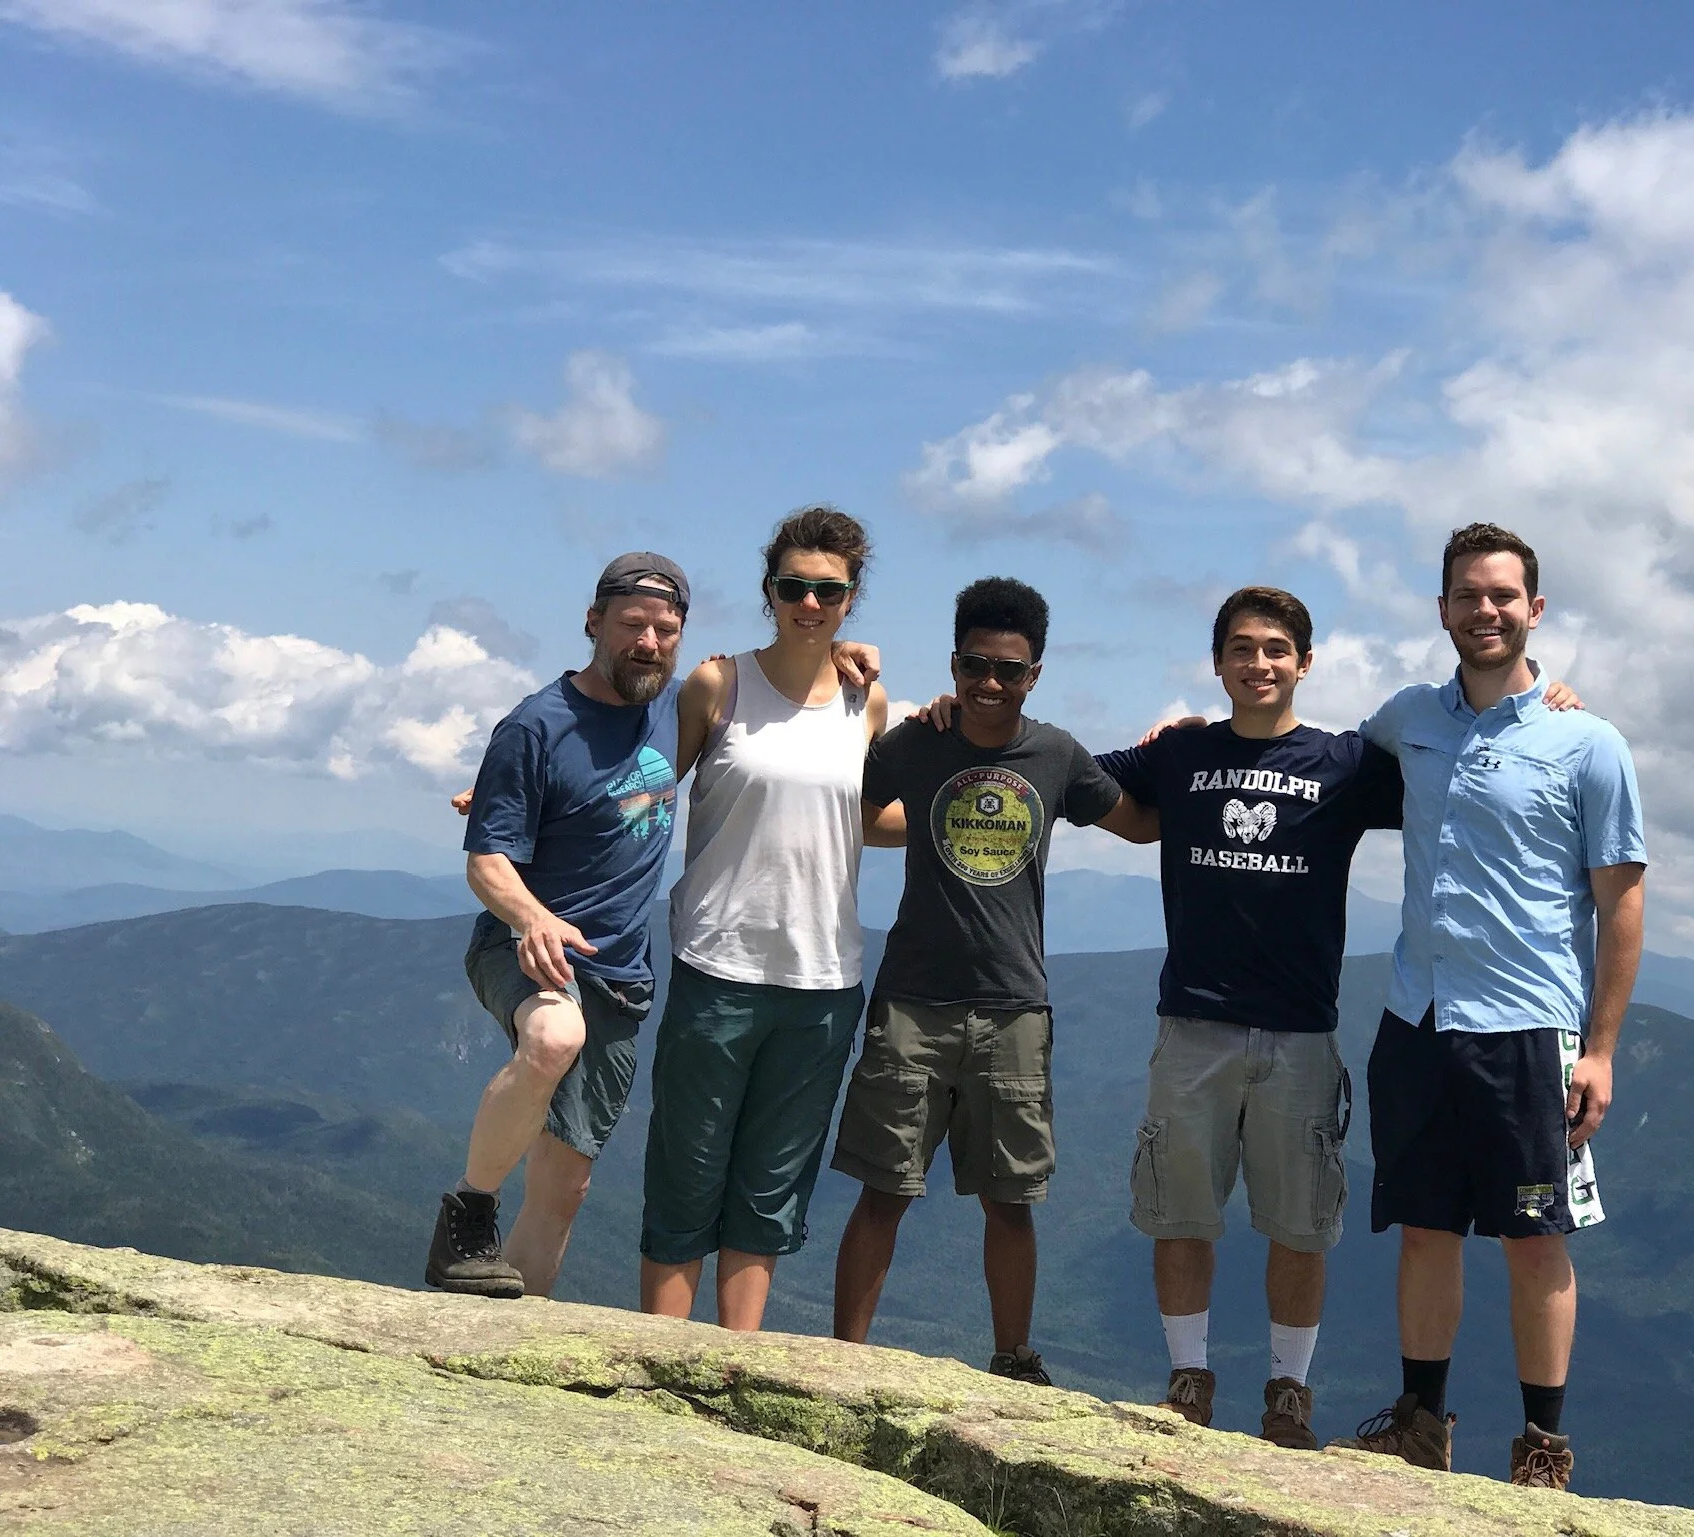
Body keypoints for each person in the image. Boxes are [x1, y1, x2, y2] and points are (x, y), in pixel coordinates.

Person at [1099, 589, 1581, 1449]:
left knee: (1300, 1223)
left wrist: (1541, 702)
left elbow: (1461, 768)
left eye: (1277, 648)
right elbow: (1069, 774)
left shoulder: (1347, 762)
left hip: (1300, 1032)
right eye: (1241, 649)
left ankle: (1288, 1392)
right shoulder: (1178, 754)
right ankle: (1187, 1380)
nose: (1259, 664)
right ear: (1216, 663)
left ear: (1304, 662)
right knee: (1180, 1213)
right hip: (1192, 1024)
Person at [1337, 522, 1645, 1491]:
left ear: (1535, 611)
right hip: (1419, 1019)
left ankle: (1542, 1449)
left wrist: (1600, 1051)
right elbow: (1322, 757)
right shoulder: (1410, 718)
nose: (1485, 610)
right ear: (1443, 611)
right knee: (1426, 1226)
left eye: (1503, 595)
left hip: (1529, 1029)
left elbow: (1622, 898)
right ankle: (1422, 1423)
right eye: (1468, 595)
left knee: (1534, 1235)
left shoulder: (1587, 743)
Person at [830, 576, 1158, 1385]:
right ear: (953, 663)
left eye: (1008, 671)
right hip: (913, 997)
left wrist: (1178, 748)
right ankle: (841, 1362)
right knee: (884, 1187)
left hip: (1014, 1005)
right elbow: (850, 809)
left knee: (1011, 1198)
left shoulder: (1054, 755)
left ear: (1034, 673)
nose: (989, 683)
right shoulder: (916, 743)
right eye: (975, 666)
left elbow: (1142, 823)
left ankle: (1013, 1358)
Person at [639, 506, 905, 1329]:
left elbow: (864, 817)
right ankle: (657, 1368)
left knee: (770, 1191)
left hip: (824, 979)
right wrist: (522, 800)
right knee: (685, 1177)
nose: (810, 602)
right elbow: (642, 788)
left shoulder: (867, 700)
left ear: (851, 596)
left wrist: (987, 806)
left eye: (829, 589)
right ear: (768, 590)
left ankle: (732, 1369)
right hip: (718, 965)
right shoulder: (718, 686)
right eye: (794, 586)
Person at [425, 553, 690, 1300]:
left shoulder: (675, 707)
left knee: (563, 1185)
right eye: (632, 624)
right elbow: (486, 864)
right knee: (552, 1037)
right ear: (593, 622)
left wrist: (842, 650)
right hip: (520, 946)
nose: (648, 642)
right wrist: (533, 917)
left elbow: (775, 670)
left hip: (620, 974)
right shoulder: (535, 725)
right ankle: (467, 1213)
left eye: (664, 630)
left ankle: (507, 1334)